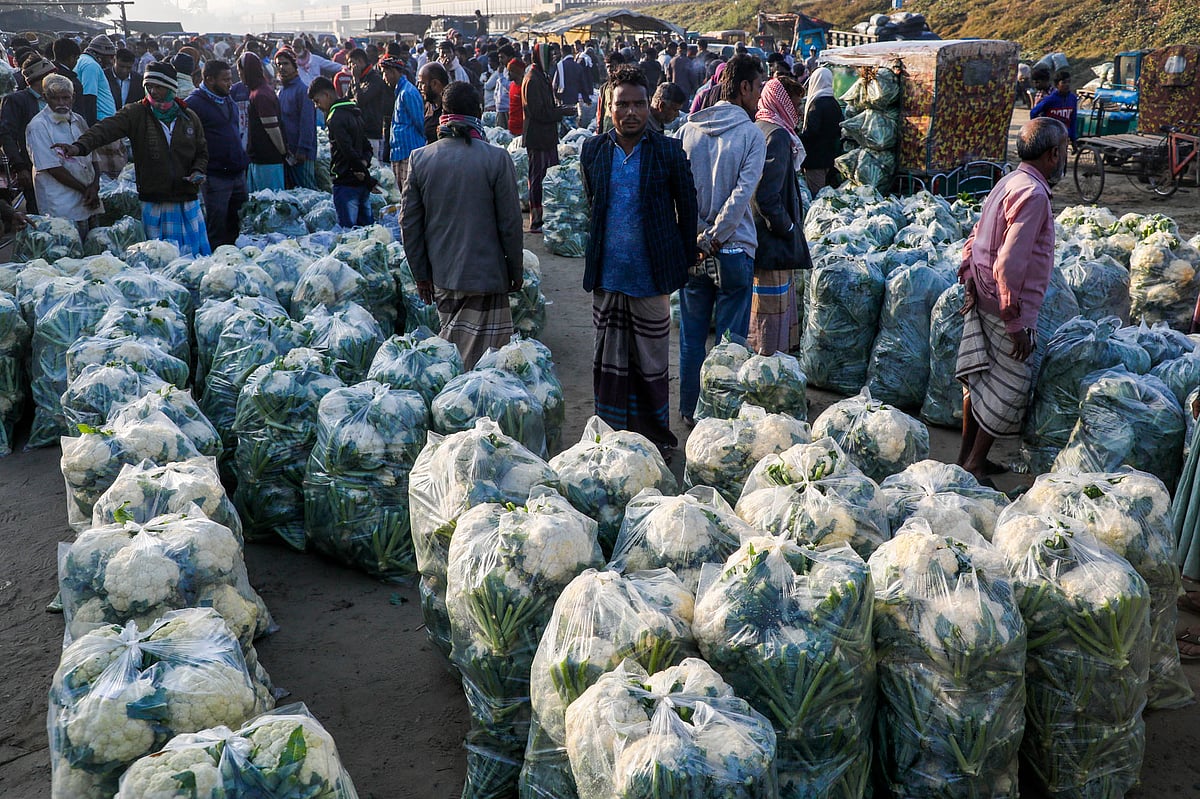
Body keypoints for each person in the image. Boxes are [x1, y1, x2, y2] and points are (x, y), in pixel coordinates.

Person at [581, 66, 697, 459]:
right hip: (608, 277)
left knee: (650, 366)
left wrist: (680, 261)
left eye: (639, 104)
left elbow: (688, 208)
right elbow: (593, 202)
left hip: (651, 278)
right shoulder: (594, 150)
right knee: (609, 362)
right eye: (622, 104)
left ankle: (654, 440)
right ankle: (612, 437)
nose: (631, 112)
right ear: (609, 107)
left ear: (650, 107)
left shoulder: (667, 151)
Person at [955, 117, 1067, 484]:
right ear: (1052, 155)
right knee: (1008, 387)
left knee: (980, 380)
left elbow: (976, 235)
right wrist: (1015, 322)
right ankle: (974, 463)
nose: (1064, 157)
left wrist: (970, 276)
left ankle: (966, 458)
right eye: (1064, 152)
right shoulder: (1034, 195)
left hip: (983, 294)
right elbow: (1010, 263)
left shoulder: (1009, 180)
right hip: (1005, 307)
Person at [401, 81, 523, 369]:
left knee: (454, 361)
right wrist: (515, 271)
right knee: (489, 369)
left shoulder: (420, 158)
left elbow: (409, 224)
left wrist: (421, 275)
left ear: (443, 112)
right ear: (479, 113)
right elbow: (511, 224)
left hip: (443, 277)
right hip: (489, 279)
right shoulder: (497, 158)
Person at [677, 53, 767, 425]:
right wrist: (715, 237)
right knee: (729, 346)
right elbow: (742, 194)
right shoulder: (750, 135)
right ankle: (720, 418)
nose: (761, 96)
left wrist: (699, 236)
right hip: (733, 253)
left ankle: (688, 410)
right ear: (744, 87)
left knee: (691, 338)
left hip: (694, 252)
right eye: (759, 87)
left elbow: (679, 193)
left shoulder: (688, 130)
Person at [57, 62, 211, 256]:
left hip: (186, 199)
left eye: (159, 87)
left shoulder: (189, 117)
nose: (153, 91)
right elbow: (105, 129)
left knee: (192, 258)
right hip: (155, 201)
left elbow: (201, 151)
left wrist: (198, 171)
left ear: (171, 88)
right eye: (149, 86)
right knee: (158, 260)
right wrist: (79, 146)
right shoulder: (136, 113)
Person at [748, 76, 811, 355]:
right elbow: (767, 195)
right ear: (781, 101)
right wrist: (786, 228)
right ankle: (769, 374)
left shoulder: (758, 127)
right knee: (771, 318)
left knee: (759, 310)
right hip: (772, 241)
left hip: (755, 235)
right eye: (795, 103)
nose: (796, 111)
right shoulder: (778, 135)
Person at [26, 74, 101, 240]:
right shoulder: (38, 126)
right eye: (55, 98)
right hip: (61, 205)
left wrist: (95, 186)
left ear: (73, 98)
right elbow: (53, 168)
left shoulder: (78, 120)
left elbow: (93, 156)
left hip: (87, 199)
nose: (61, 103)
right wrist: (86, 189)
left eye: (65, 98)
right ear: (45, 98)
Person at [186, 59, 249, 249]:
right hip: (216, 176)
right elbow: (188, 140)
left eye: (230, 79)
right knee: (217, 226)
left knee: (239, 222)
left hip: (236, 173)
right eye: (225, 80)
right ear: (209, 79)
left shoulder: (227, 98)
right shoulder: (194, 103)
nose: (230, 83)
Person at [309, 76, 376, 228]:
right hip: (360, 182)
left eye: (316, 101)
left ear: (327, 95)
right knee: (368, 231)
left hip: (345, 182)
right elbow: (367, 147)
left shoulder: (335, 118)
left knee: (349, 234)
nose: (316, 106)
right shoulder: (353, 112)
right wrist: (364, 166)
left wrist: (360, 170)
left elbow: (347, 150)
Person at [523, 44, 573, 233]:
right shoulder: (532, 80)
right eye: (549, 56)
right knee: (537, 178)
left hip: (546, 137)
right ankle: (537, 221)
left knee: (548, 177)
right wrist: (560, 112)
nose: (552, 59)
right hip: (538, 137)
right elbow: (538, 112)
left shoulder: (542, 76)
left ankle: (548, 216)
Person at [0, 56, 59, 214]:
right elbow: (7, 136)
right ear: (40, 78)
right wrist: (19, 167)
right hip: (32, 166)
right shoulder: (16, 100)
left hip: (58, 166)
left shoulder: (54, 99)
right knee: (38, 211)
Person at [236, 52, 286, 192]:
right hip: (260, 159)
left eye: (240, 71)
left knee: (270, 201)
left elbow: (272, 128)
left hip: (267, 160)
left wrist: (282, 152)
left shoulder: (261, 94)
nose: (239, 75)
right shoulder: (257, 91)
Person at [380, 57, 424, 207]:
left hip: (408, 152)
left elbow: (419, 122)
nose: (383, 78)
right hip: (399, 152)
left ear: (393, 72)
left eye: (385, 73)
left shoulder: (408, 92)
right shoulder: (400, 91)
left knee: (410, 197)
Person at [274, 48, 319, 190]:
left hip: (302, 155)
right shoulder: (281, 92)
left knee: (307, 193)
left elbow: (307, 124)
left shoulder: (302, 91)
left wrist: (302, 149)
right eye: (279, 64)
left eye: (286, 64)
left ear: (295, 66)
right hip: (288, 154)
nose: (282, 68)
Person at [800, 66, 843, 194]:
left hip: (815, 160)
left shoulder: (816, 105)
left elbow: (811, 133)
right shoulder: (835, 104)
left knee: (817, 198)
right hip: (829, 159)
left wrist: (795, 138)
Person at [1031, 68, 1078, 143]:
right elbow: (1033, 112)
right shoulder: (1050, 99)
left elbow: (1073, 119)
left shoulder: (1072, 98)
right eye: (1064, 82)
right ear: (1057, 85)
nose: (1067, 85)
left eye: (1068, 82)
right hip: (1051, 134)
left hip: (1065, 133)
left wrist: (1073, 138)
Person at [417, 62, 449, 145]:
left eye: (422, 83)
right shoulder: (429, 105)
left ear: (435, 83)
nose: (419, 87)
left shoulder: (450, 109)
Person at [506, 58, 526, 136]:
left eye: (510, 71)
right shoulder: (512, 85)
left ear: (517, 72)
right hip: (512, 128)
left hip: (521, 130)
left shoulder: (524, 87)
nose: (508, 74)